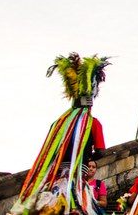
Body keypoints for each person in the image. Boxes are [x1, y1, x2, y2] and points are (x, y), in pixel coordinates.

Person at [11, 53, 110, 215]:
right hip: (76, 181)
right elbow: (101, 151)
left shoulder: (58, 123)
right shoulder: (93, 123)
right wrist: (87, 157)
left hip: (52, 181)